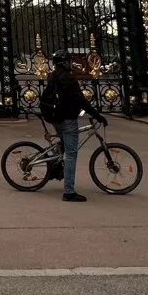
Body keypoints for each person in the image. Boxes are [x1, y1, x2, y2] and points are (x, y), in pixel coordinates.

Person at [41, 50, 108, 202]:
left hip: (54, 116)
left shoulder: (52, 76)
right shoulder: (69, 79)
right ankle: (69, 192)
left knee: (64, 146)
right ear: (65, 62)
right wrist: (97, 115)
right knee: (71, 155)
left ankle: (56, 166)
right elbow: (81, 100)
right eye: (69, 61)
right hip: (67, 118)